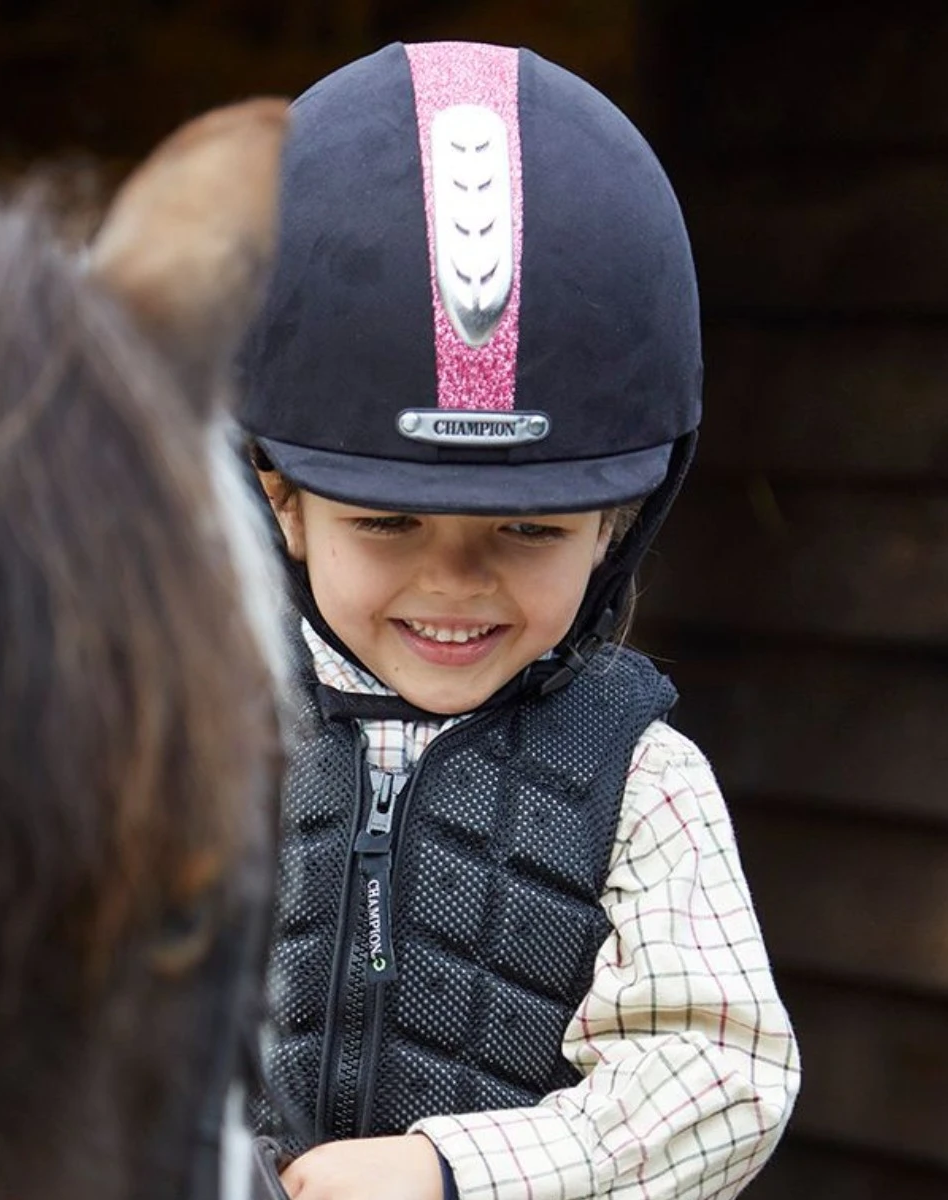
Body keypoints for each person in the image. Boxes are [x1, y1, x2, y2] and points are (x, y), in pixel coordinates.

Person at [236, 38, 800, 1200]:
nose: (456, 584)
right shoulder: (187, 731)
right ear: (283, 500)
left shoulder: (643, 779)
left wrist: (459, 1172)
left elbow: (723, 1073)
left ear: (616, 523)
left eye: (529, 530)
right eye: (387, 523)